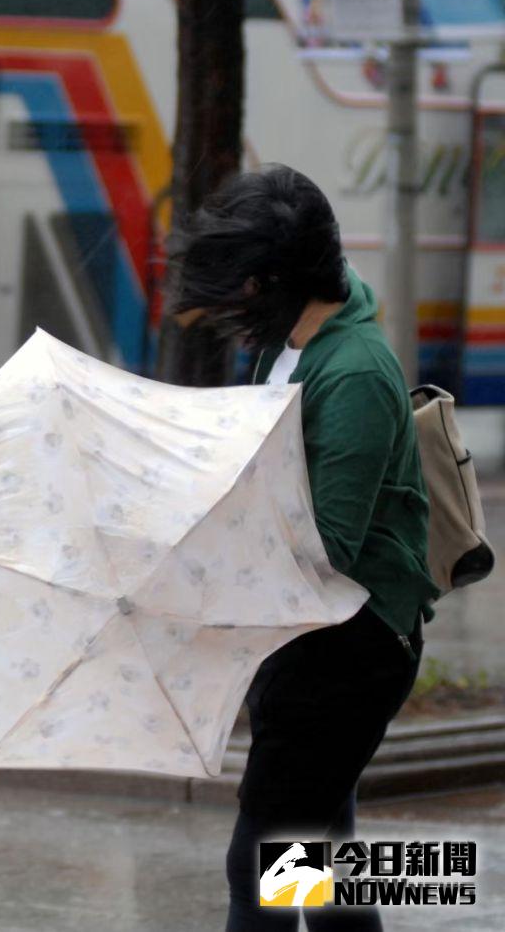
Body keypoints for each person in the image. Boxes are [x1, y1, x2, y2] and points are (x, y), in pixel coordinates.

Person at [173, 164, 438, 932]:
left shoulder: (353, 372)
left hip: (350, 647)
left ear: (280, 277)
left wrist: (212, 564)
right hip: (305, 633)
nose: (234, 304)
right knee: (320, 856)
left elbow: (328, 545)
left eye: (245, 283)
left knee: (260, 864)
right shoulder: (296, 341)